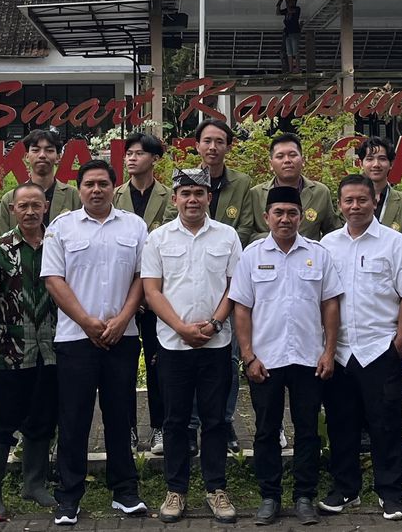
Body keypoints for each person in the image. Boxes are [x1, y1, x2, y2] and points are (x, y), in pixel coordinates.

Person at [41, 159, 148, 524]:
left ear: (114, 187)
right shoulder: (62, 227)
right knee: (74, 418)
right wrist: (87, 322)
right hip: (75, 338)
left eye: (103, 183)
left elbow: (142, 277)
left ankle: (125, 491)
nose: (96, 190)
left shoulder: (135, 226)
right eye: (89, 184)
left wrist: (122, 320)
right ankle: (68, 496)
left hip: (123, 335)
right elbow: (54, 280)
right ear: (80, 188)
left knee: (121, 416)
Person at [230, 185, 343, 526]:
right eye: (278, 213)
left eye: (292, 213)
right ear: (266, 217)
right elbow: (241, 309)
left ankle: (305, 495)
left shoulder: (318, 253)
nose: (285, 219)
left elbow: (331, 304)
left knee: (307, 429)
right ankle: (270, 496)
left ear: (301, 216)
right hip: (266, 359)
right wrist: (248, 355)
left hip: (309, 358)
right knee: (265, 430)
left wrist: (329, 351)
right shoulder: (252, 255)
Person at [141, 168, 243, 524]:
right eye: (185, 193)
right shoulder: (158, 239)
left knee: (215, 419)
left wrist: (215, 323)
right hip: (173, 345)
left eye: (199, 193)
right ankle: (176, 490)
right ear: (175, 199)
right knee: (175, 421)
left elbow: (235, 286)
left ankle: (216, 488)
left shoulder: (227, 237)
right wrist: (181, 328)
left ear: (209, 197)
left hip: (216, 343)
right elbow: (152, 290)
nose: (192, 200)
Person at [320, 174, 402, 521]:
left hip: (381, 348)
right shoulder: (328, 245)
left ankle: (390, 493)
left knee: (387, 424)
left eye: (362, 200)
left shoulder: (396, 244)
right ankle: (345, 489)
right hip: (341, 349)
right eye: (348, 200)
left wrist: (400, 343)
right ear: (340, 204)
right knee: (341, 424)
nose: (355, 206)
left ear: (374, 201)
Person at [0, 182, 61, 521]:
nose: (30, 211)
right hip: (8, 350)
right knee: (0, 423)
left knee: (42, 418)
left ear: (46, 208)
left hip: (51, 349)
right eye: (23, 206)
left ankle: (34, 482)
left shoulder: (59, 247)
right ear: (13, 209)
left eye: (36, 205)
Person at [114, 132, 175, 455]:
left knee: (157, 363)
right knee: (123, 366)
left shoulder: (169, 196)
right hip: (122, 295)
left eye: (139, 153)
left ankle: (160, 427)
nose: (132, 158)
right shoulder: (114, 195)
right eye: (129, 154)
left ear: (155, 159)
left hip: (156, 294)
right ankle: (127, 428)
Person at [194, 118, 252, 452]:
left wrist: (219, 247)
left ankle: (225, 421)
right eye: (207, 141)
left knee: (228, 359)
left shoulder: (241, 183)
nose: (213, 147)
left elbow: (245, 226)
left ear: (228, 146)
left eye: (220, 141)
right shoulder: (187, 179)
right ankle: (190, 425)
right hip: (190, 278)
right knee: (189, 357)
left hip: (230, 280)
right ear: (197, 146)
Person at [241, 133, 338, 244]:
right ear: (271, 164)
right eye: (280, 156)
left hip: (307, 258)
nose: (287, 160)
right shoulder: (256, 194)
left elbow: (332, 232)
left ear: (303, 161)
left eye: (292, 155)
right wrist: (281, 237)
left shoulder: (320, 192)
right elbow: (248, 233)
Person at [0, 128, 83, 231]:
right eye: (36, 150)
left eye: (49, 150)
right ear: (27, 156)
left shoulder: (74, 197)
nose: (42, 155)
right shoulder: (10, 199)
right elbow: (1, 243)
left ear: (58, 157)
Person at [354, 136, 402, 232]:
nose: (376, 164)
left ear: (391, 164)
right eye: (370, 159)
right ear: (360, 163)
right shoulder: (350, 200)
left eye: (382, 159)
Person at [277, 0, 302, 73]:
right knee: (289, 53)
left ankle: (297, 69)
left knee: (295, 51)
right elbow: (278, 13)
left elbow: (290, 11)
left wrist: (287, 4)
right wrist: (279, 4)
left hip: (295, 33)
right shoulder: (286, 10)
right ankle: (291, 70)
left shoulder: (297, 9)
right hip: (288, 34)